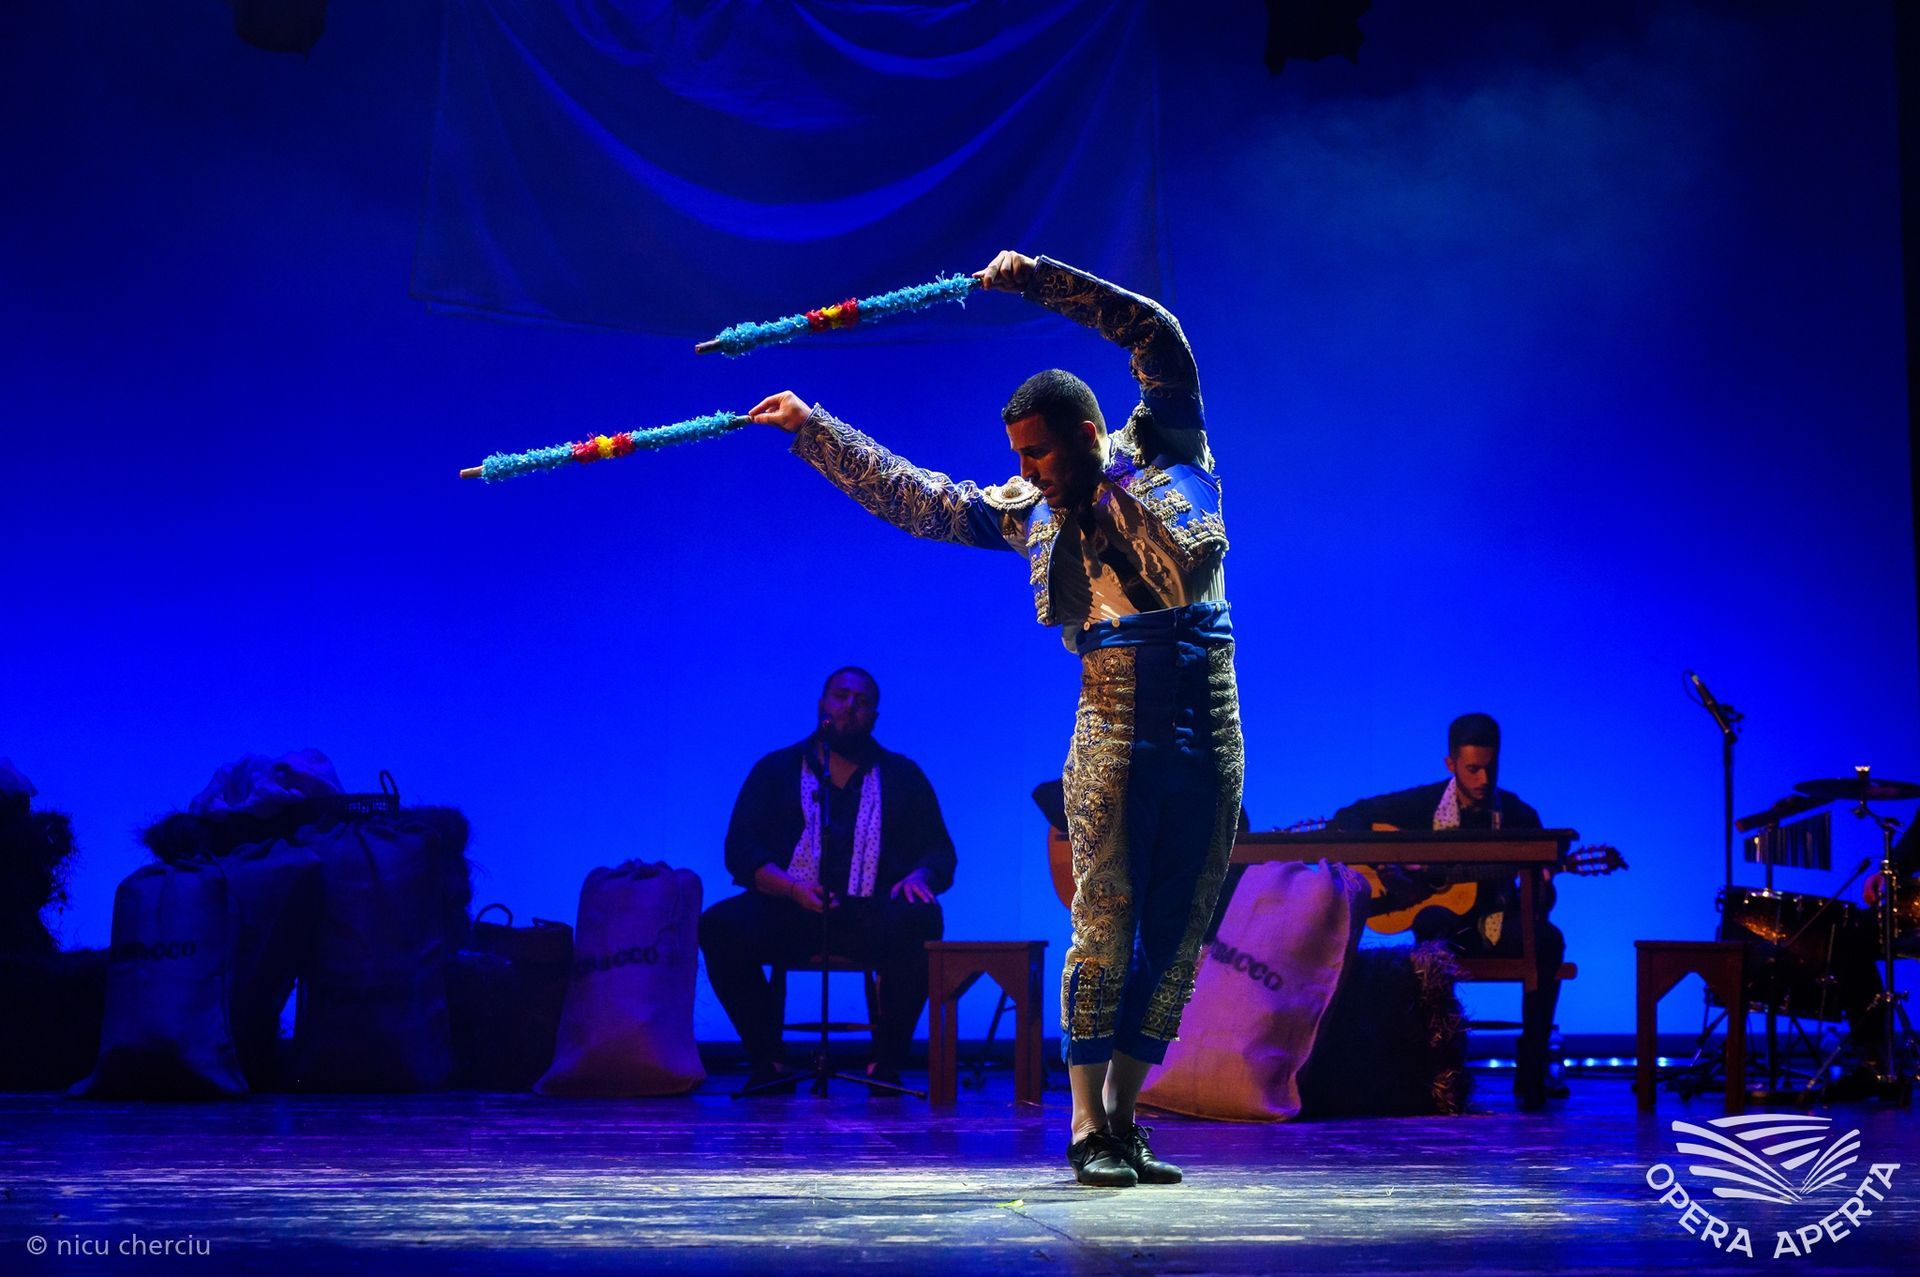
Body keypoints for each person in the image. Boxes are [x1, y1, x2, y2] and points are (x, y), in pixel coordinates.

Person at [747, 251, 1244, 1188]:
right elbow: (922, 500)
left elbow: (1156, 332)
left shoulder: (1169, 443)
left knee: (1181, 927)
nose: (1026, 471)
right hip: (1114, 716)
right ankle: (1086, 1124)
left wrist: (1039, 280)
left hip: (1210, 716)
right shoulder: (1029, 510)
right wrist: (815, 429)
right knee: (1106, 913)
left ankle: (1126, 1115)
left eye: (1038, 452)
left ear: (1088, 433)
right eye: (1018, 456)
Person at [699, 667, 955, 1092]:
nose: (850, 707)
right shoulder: (776, 769)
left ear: (874, 716)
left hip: (869, 913)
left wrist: (920, 875)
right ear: (822, 705)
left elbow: (940, 851)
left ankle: (885, 1063)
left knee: (922, 918)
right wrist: (791, 888)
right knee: (719, 926)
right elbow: (740, 849)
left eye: (862, 701)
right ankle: (769, 1059)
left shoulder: (902, 775)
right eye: (841, 696)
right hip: (789, 907)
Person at [1329, 712, 1567, 1110]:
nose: (1483, 780)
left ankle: (1533, 1062)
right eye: (1472, 769)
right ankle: (1437, 1065)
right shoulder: (1422, 804)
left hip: (1495, 925)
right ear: (1451, 763)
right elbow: (1347, 818)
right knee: (1431, 920)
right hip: (1448, 927)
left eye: (1490, 768)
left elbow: (1542, 896)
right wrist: (1389, 862)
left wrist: (1543, 884)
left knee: (1548, 938)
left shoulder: (1518, 815)